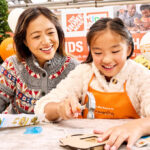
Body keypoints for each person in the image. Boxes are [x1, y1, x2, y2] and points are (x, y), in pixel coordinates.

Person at [35, 18, 150, 149]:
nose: (107, 59)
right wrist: (59, 108)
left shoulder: (140, 76)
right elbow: (41, 107)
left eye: (115, 51)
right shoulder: (83, 72)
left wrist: (138, 126)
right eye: (98, 53)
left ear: (128, 49)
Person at [0, 6, 78, 114]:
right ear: (25, 41)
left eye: (50, 33)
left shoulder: (73, 67)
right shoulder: (12, 66)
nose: (46, 41)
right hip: (19, 130)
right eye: (36, 36)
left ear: (58, 33)